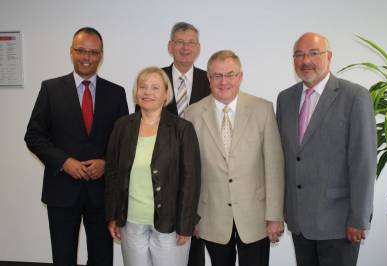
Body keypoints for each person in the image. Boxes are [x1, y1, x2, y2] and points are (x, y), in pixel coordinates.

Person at [24, 27, 128, 266]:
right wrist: (63, 161)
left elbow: (124, 142)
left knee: (102, 258)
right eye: (81, 50)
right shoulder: (50, 89)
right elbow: (33, 135)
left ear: (101, 55)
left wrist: (106, 163)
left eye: (93, 52)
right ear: (71, 52)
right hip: (61, 191)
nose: (86, 57)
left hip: (102, 193)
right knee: (63, 257)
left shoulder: (116, 93)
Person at [276, 32, 376, 266]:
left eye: (313, 53)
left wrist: (359, 219)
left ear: (329, 56)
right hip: (299, 221)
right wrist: (282, 208)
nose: (305, 60)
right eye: (299, 55)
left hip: (339, 223)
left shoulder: (354, 96)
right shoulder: (285, 99)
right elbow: (285, 158)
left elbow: (363, 162)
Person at [185, 50, 285, 266]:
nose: (224, 82)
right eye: (217, 76)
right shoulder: (192, 114)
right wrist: (191, 216)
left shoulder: (263, 109)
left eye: (230, 74)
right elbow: (190, 172)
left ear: (240, 76)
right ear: (209, 78)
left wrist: (275, 215)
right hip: (212, 217)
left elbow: (274, 166)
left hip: (256, 217)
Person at [105, 67, 201, 266]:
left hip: (170, 224)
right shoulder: (122, 126)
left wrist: (186, 224)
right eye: (143, 87)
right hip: (131, 222)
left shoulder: (182, 129)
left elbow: (191, 179)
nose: (147, 92)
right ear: (136, 92)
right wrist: (113, 215)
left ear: (166, 94)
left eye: (155, 88)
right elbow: (112, 173)